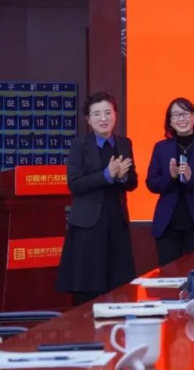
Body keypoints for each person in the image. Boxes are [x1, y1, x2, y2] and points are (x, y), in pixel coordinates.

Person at [57, 92, 138, 306]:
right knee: (88, 285)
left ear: (115, 115)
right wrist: (106, 175)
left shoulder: (124, 143)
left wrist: (122, 177)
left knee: (119, 284)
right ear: (88, 119)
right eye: (97, 114)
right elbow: (74, 183)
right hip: (88, 225)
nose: (103, 118)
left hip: (116, 221)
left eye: (108, 113)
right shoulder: (79, 145)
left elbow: (132, 182)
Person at [146, 98, 194, 266]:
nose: (181, 118)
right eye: (176, 115)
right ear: (170, 122)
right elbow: (151, 183)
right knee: (168, 275)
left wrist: (192, 178)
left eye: (185, 114)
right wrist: (171, 177)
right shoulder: (161, 147)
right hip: (168, 225)